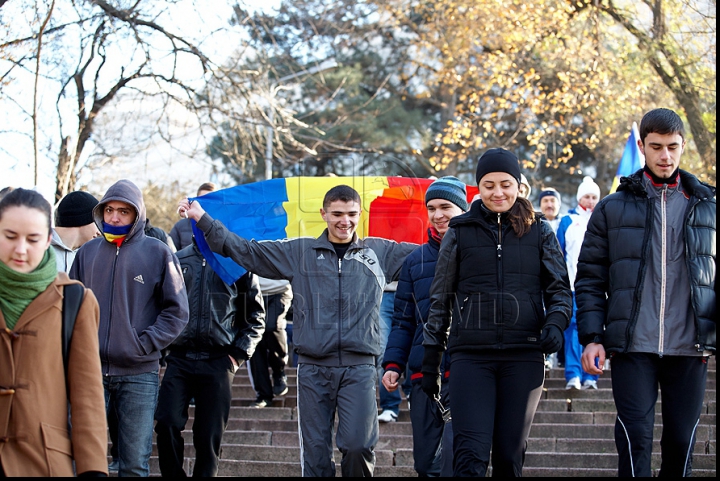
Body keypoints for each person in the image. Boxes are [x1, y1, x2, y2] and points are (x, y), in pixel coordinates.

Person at [177, 184, 417, 477]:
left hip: (360, 367)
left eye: (352, 214)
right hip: (313, 369)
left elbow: (432, 256)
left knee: (357, 447)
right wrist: (204, 219)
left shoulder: (380, 251)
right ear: (324, 214)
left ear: (360, 213)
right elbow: (247, 251)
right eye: (337, 214)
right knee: (315, 457)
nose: (345, 221)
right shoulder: (301, 251)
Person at [575, 108, 716, 477]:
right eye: (656, 147)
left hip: (690, 347)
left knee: (680, 443)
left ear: (683, 146)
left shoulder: (709, 208)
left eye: (672, 147)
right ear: (642, 146)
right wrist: (591, 337)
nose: (665, 156)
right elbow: (590, 278)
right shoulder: (610, 208)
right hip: (631, 346)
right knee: (634, 439)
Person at [421, 148, 572, 477]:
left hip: (524, 357)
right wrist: (431, 361)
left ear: (519, 185)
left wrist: (556, 323)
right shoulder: (460, 231)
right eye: (489, 185)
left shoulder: (539, 230)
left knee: (508, 458)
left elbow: (559, 288)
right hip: (471, 358)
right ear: (478, 188)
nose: (498, 192)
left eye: (505, 184)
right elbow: (441, 298)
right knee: (470, 457)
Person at [69, 179, 189, 477]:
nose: (114, 217)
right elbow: (70, 306)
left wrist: (145, 343)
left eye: (124, 211)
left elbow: (177, 312)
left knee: (134, 464)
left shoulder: (158, 253)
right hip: (90, 372)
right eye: (109, 210)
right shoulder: (87, 253)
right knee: (81, 458)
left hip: (139, 373)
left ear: (137, 215)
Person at [0, 188, 108, 477]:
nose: (20, 249)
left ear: (48, 239)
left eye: (32, 239)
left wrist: (93, 470)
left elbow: (87, 398)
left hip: (43, 464)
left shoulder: (76, 301)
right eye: (10, 236)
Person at [155, 235, 266, 477]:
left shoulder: (237, 262)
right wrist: (162, 348)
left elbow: (256, 317)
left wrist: (237, 354)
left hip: (219, 360)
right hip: (180, 358)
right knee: (166, 422)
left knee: (208, 436)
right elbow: (160, 306)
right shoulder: (177, 260)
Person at [382, 176, 468, 476]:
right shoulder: (414, 260)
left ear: (462, 208)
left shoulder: (478, 254)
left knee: (456, 461)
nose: (437, 214)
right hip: (423, 376)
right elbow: (403, 320)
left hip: (467, 372)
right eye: (431, 208)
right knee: (424, 464)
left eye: (445, 206)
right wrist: (393, 363)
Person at [556, 176, 601, 390]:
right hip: (573, 287)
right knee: (572, 329)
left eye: (594, 197)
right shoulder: (567, 221)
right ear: (579, 197)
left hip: (597, 288)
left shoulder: (601, 218)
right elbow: (558, 253)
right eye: (587, 196)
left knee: (594, 331)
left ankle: (591, 375)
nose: (591, 201)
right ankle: (573, 373)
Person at [247, 277, 292, 408]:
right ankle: (263, 395)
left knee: (272, 326)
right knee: (254, 339)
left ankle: (279, 371)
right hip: (252, 289)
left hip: (280, 289)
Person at [51, 190, 100, 272]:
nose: (99, 232)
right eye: (97, 223)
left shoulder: (85, 259)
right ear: (82, 220)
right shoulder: (39, 249)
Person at [375, 282, 403, 423]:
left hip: (411, 288)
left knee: (414, 346)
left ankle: (412, 393)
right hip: (383, 291)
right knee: (383, 351)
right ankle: (390, 406)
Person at [170, 182, 216, 250]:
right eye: (202, 199)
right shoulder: (180, 227)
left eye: (209, 200)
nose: (205, 204)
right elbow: (172, 255)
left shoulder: (222, 227)